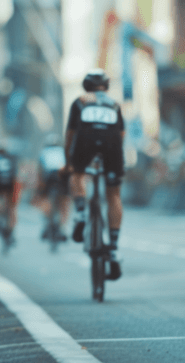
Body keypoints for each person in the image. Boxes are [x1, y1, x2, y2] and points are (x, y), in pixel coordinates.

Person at [66, 69, 125, 280]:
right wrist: (115, 163)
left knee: (78, 173)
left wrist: (68, 164)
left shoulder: (80, 101)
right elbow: (121, 135)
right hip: (112, 146)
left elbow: (70, 135)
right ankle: (114, 248)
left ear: (86, 86)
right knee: (114, 194)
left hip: (85, 143)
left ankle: (81, 212)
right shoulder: (114, 104)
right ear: (106, 86)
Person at [33, 134, 70, 242]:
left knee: (45, 199)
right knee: (65, 201)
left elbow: (40, 170)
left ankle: (47, 223)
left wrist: (39, 187)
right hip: (62, 176)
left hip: (48, 177)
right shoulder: (63, 151)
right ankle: (63, 226)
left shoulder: (44, 152)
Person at [0, 147, 18, 243]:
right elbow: (16, 174)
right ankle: (11, 228)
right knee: (12, 207)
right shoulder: (11, 158)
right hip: (11, 182)